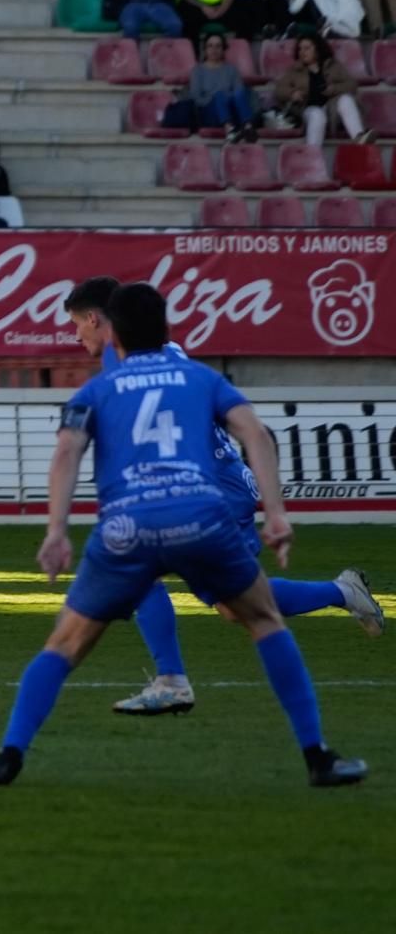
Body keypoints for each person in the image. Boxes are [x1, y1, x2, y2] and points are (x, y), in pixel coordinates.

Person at [0, 283, 368, 787]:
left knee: (64, 645)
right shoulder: (200, 376)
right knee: (263, 620)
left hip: (127, 528)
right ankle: (318, 758)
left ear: (112, 331)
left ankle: (8, 757)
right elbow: (256, 434)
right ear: (167, 327)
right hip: (200, 517)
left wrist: (56, 530)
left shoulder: (99, 388)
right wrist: (278, 515)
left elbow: (67, 452)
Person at [61, 276, 385, 716]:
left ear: (96, 318)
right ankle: (341, 592)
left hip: (209, 490)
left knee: (146, 575)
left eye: (76, 323)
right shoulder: (159, 351)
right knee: (235, 606)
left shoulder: (122, 363)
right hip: (217, 484)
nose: (75, 334)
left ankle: (171, 680)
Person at [274, 33, 372, 146]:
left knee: (345, 99)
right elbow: (279, 90)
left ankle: (359, 138)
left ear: (317, 49)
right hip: (307, 110)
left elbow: (352, 85)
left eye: (307, 48)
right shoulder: (295, 70)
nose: (302, 52)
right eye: (300, 49)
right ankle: (312, 155)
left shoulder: (333, 65)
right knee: (317, 114)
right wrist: (292, 93)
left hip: (331, 110)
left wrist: (334, 89)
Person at [190, 31, 256, 142]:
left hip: (231, 110)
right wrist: (215, 99)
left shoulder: (231, 69)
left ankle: (248, 127)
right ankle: (229, 130)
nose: (214, 50)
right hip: (209, 112)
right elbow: (196, 98)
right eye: (210, 46)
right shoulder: (198, 71)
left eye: (218, 46)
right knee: (219, 95)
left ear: (223, 49)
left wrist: (225, 98)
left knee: (240, 93)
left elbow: (238, 92)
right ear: (205, 50)